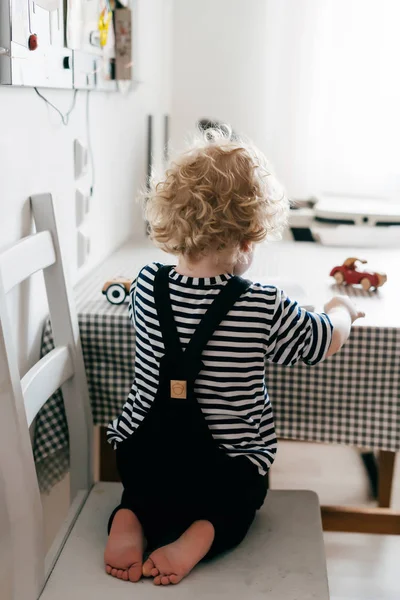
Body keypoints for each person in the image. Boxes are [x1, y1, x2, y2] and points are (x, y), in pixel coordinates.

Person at [104, 127, 365, 586]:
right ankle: (202, 535)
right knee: (242, 497)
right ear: (247, 240)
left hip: (145, 460)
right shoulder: (262, 304)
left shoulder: (145, 284)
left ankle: (131, 515)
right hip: (221, 471)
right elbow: (323, 341)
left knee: (144, 490)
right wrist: (340, 309)